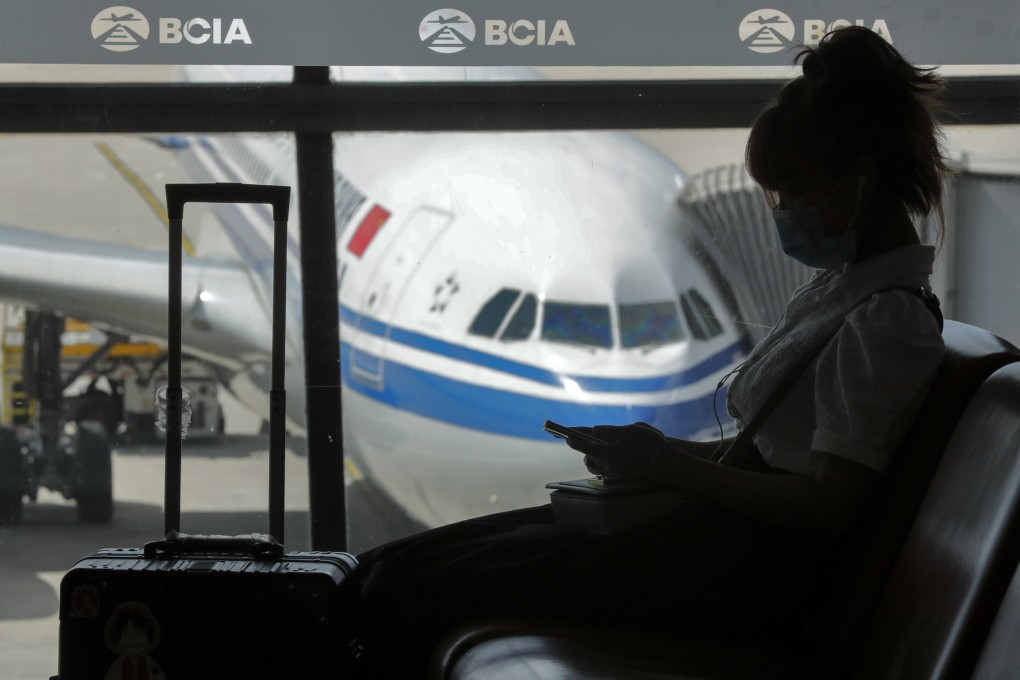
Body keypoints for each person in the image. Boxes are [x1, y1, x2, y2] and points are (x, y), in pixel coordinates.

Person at [340, 26, 948, 678]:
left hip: (742, 576)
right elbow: (777, 459)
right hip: (716, 542)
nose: (783, 212)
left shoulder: (887, 321)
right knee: (388, 567)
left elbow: (831, 505)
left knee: (405, 591)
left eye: (797, 192)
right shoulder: (843, 292)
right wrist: (651, 454)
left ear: (858, 182)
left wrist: (669, 464)